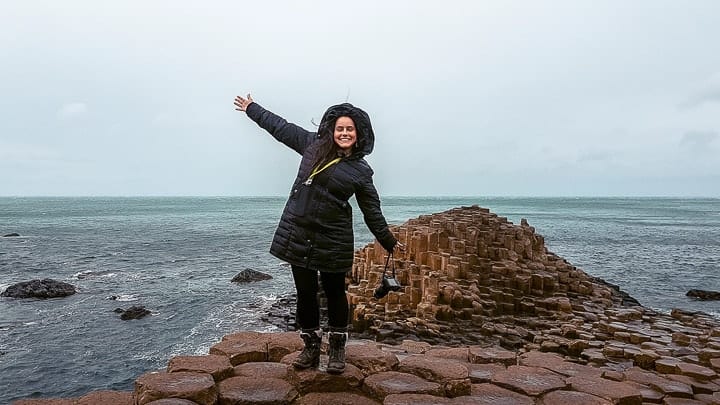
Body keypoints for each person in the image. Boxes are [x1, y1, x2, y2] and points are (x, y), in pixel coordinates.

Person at [234, 94, 402, 374]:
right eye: (340, 128)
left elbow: (371, 210)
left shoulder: (361, 171)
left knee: (336, 293)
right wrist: (252, 108)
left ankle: (337, 348)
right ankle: (310, 346)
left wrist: (387, 239)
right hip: (298, 233)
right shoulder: (313, 145)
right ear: (332, 130)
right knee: (305, 293)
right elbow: (280, 127)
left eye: (350, 129)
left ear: (359, 133)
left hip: (333, 238)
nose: (344, 133)